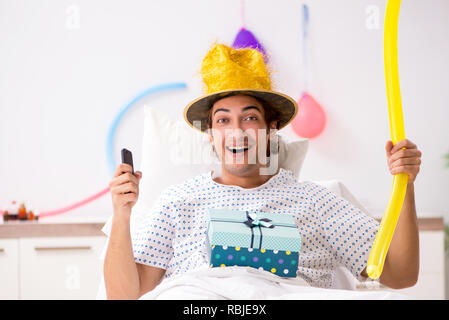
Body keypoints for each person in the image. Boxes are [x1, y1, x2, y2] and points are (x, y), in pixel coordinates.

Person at [103, 44, 422, 299]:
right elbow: (124, 296)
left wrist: (405, 185)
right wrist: (121, 214)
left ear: (271, 130)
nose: (237, 131)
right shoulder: (179, 201)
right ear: (211, 134)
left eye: (250, 118)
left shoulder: (313, 201)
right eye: (223, 120)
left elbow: (399, 274)